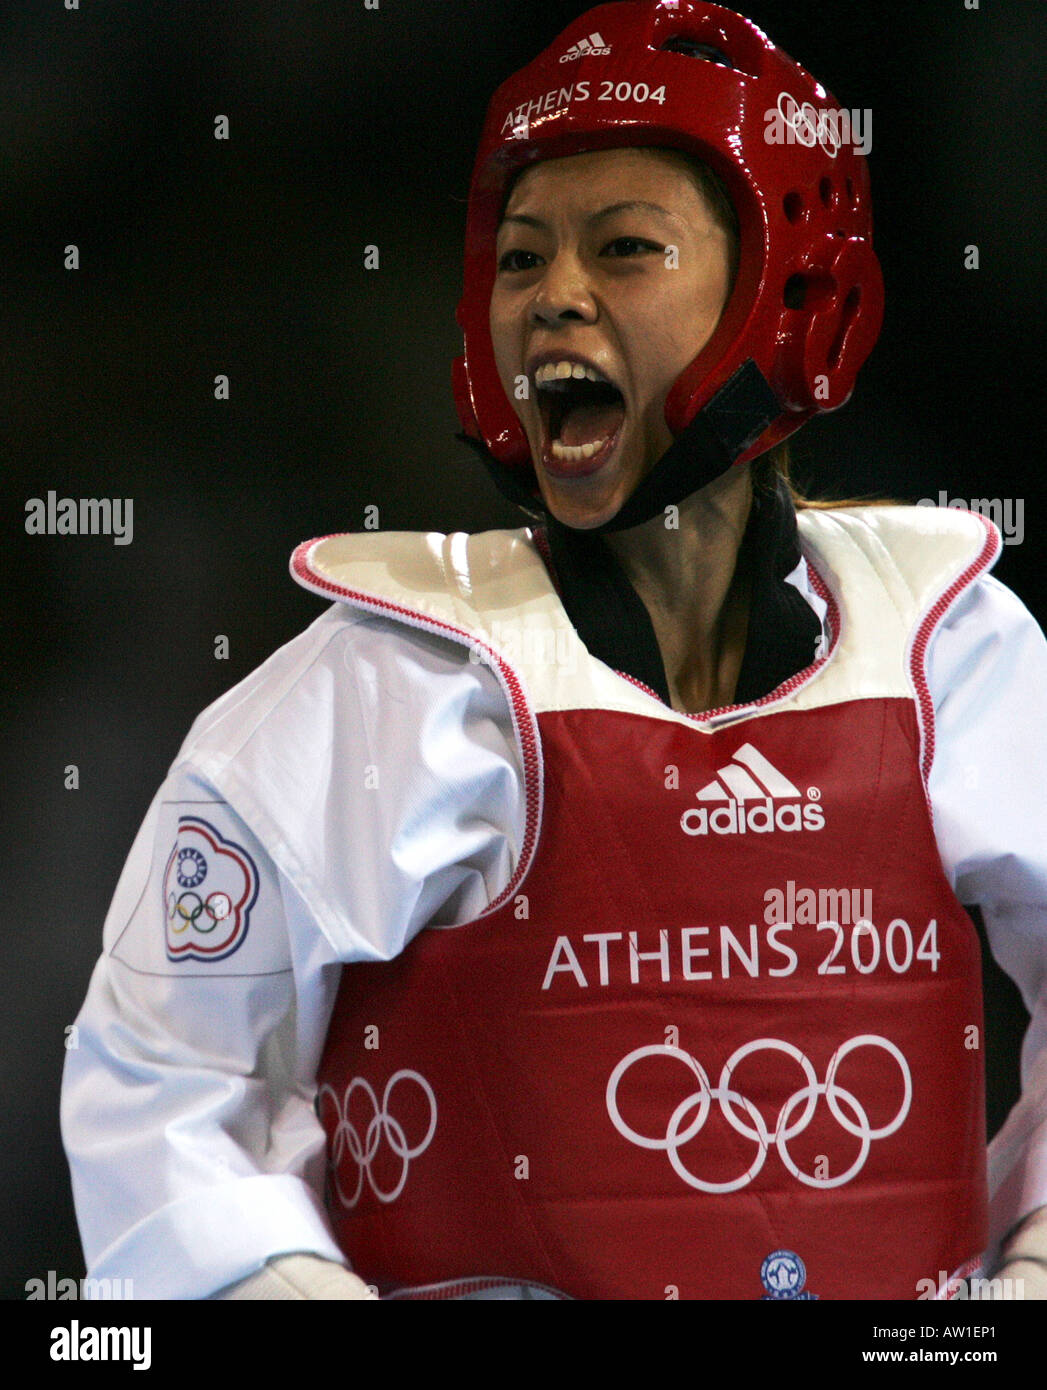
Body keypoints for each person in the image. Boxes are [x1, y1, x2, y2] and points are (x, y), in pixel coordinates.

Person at [61, 0, 1047, 1301]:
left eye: (625, 249)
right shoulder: (384, 686)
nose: (553, 299)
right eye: (520, 261)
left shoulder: (952, 651)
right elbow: (161, 1079)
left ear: (791, 293)